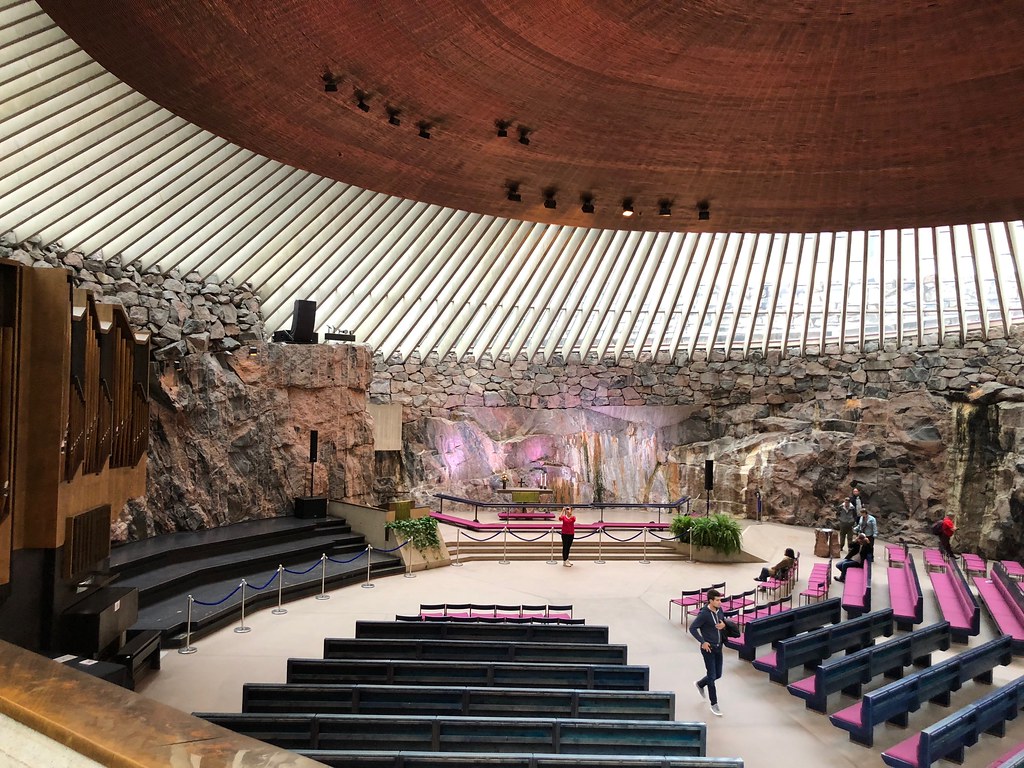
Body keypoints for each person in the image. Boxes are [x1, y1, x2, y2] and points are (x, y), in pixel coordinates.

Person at [689, 588, 725, 717]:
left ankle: (700, 684)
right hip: (708, 649)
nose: (720, 602)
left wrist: (724, 625)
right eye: (717, 600)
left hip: (719, 647)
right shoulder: (704, 614)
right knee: (711, 676)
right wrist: (703, 642)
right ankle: (714, 704)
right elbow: (692, 628)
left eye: (720, 600)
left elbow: (722, 621)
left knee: (718, 674)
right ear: (710, 601)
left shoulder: (720, 610)